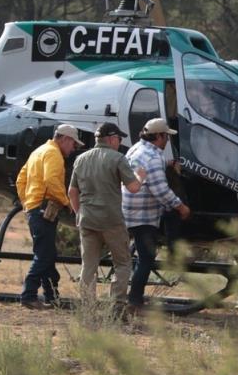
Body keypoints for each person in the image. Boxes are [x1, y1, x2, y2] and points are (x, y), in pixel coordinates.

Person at [69, 122, 144, 307]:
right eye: (119, 139)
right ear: (111, 139)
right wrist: (141, 176)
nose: (119, 142)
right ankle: (117, 305)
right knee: (122, 262)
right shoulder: (117, 158)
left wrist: (79, 213)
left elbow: (72, 191)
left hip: (87, 219)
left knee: (89, 265)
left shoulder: (81, 159)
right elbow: (133, 187)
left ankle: (87, 305)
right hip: (111, 220)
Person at [121, 118, 192, 315]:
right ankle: (134, 302)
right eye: (166, 136)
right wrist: (181, 207)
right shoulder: (152, 157)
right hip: (143, 215)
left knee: (136, 256)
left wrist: (167, 164)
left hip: (128, 210)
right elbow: (161, 191)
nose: (168, 140)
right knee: (146, 258)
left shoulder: (136, 149)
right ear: (159, 136)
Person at [15, 124, 83, 309]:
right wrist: (67, 201)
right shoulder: (53, 154)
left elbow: (20, 180)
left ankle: (51, 296)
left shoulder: (38, 151)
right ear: (65, 139)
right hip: (44, 210)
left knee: (47, 255)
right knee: (44, 256)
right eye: (73, 145)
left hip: (35, 209)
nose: (73, 149)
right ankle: (28, 295)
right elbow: (51, 181)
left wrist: (26, 203)